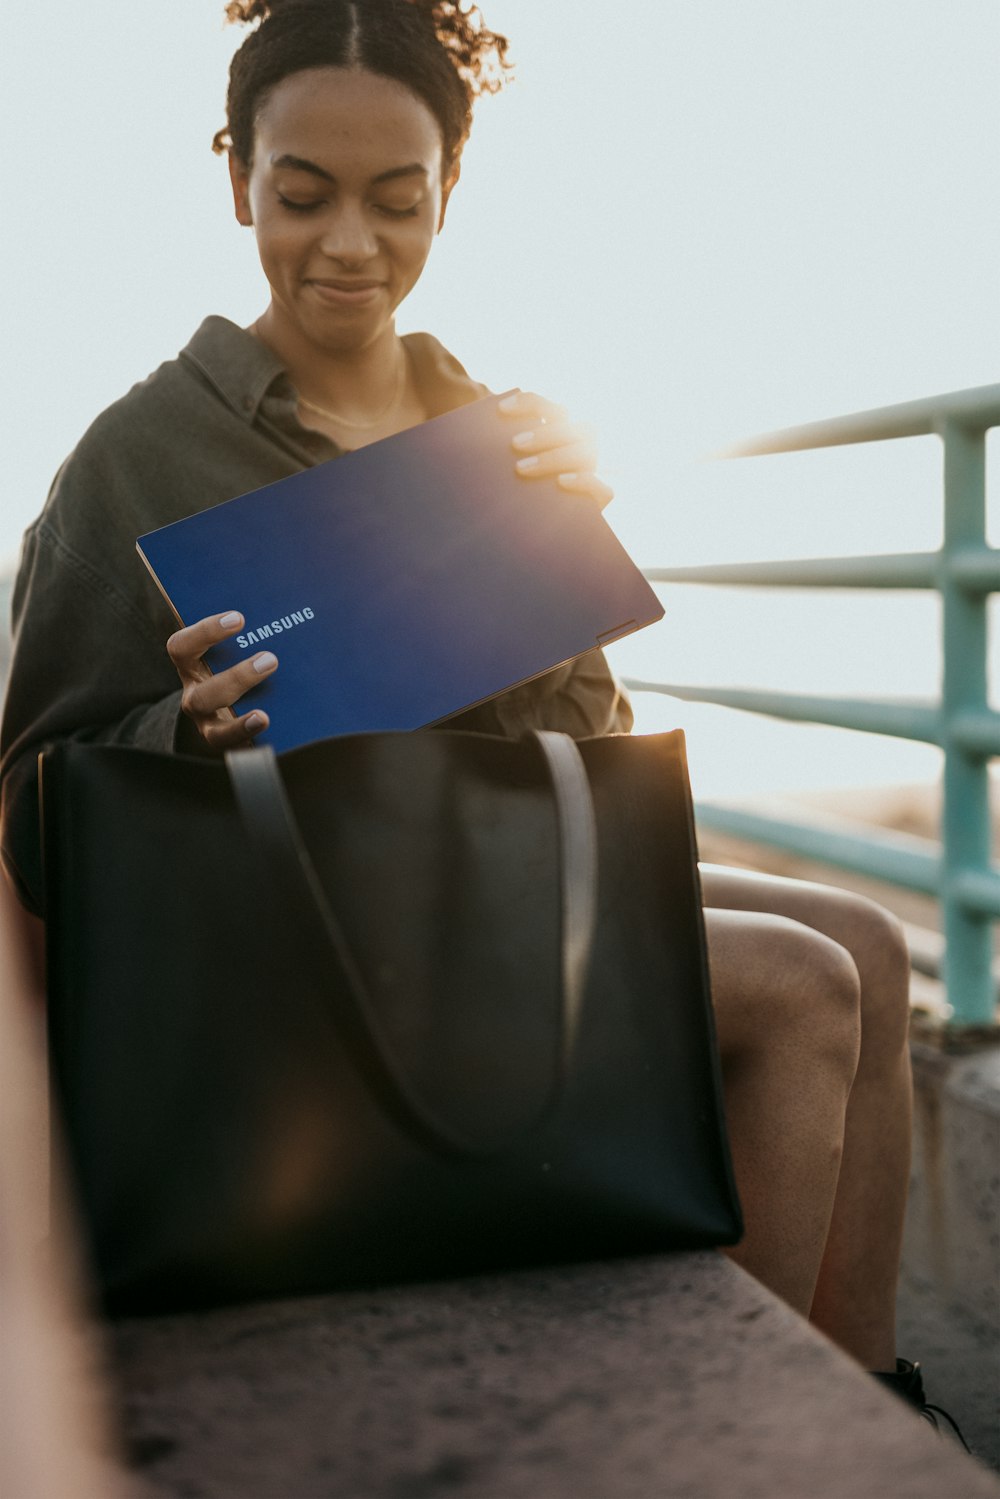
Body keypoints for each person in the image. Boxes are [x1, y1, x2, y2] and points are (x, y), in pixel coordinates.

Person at [0, 0, 948, 1431]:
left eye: (399, 199)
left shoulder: (482, 423)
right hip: (297, 950)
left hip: (485, 899)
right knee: (804, 987)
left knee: (873, 940)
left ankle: (877, 1405)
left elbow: (593, 764)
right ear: (235, 178)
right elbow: (29, 812)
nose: (349, 245)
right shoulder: (138, 455)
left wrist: (563, 548)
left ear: (451, 189)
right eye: (300, 193)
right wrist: (179, 737)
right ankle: (754, 1437)